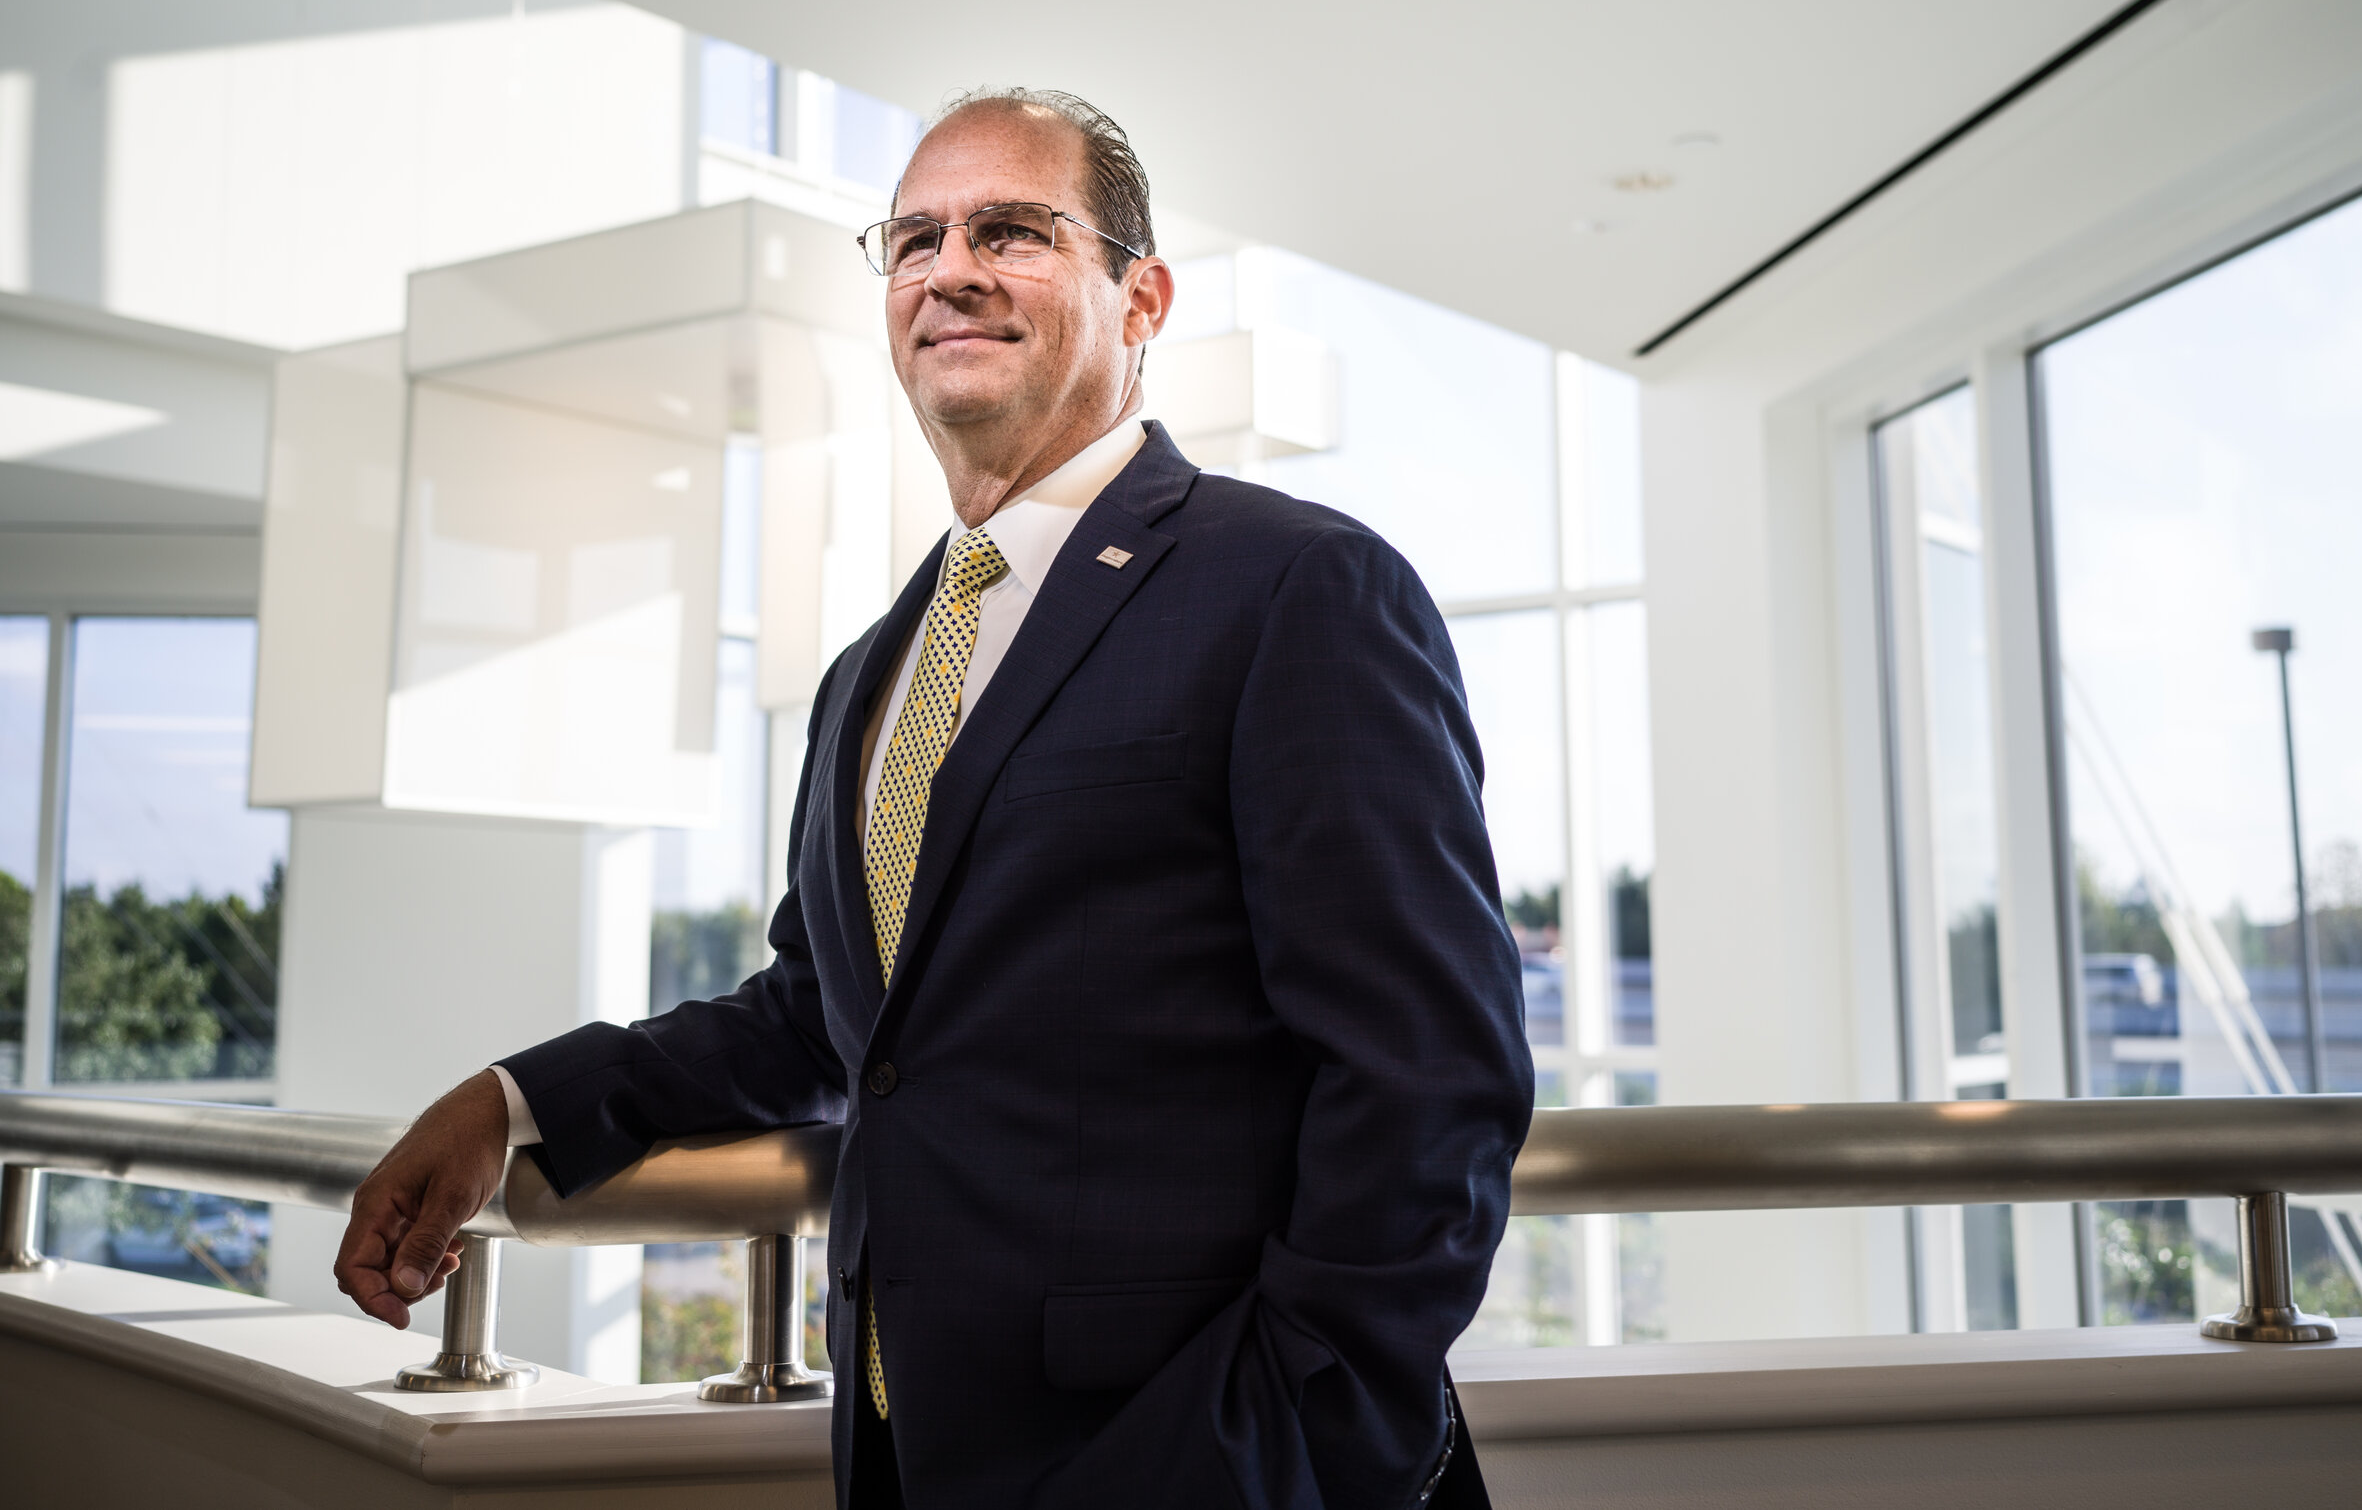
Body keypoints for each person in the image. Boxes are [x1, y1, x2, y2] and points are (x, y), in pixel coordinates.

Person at [336, 88, 1534, 1509]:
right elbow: (830, 1020)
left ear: (1141, 299)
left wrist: (1272, 1439)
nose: (950, 269)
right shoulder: (871, 673)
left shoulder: (1298, 587)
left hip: (1213, 1462)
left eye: (1012, 230)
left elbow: (1428, 1080)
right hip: (914, 1457)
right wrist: (516, 1100)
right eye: (915, 239)